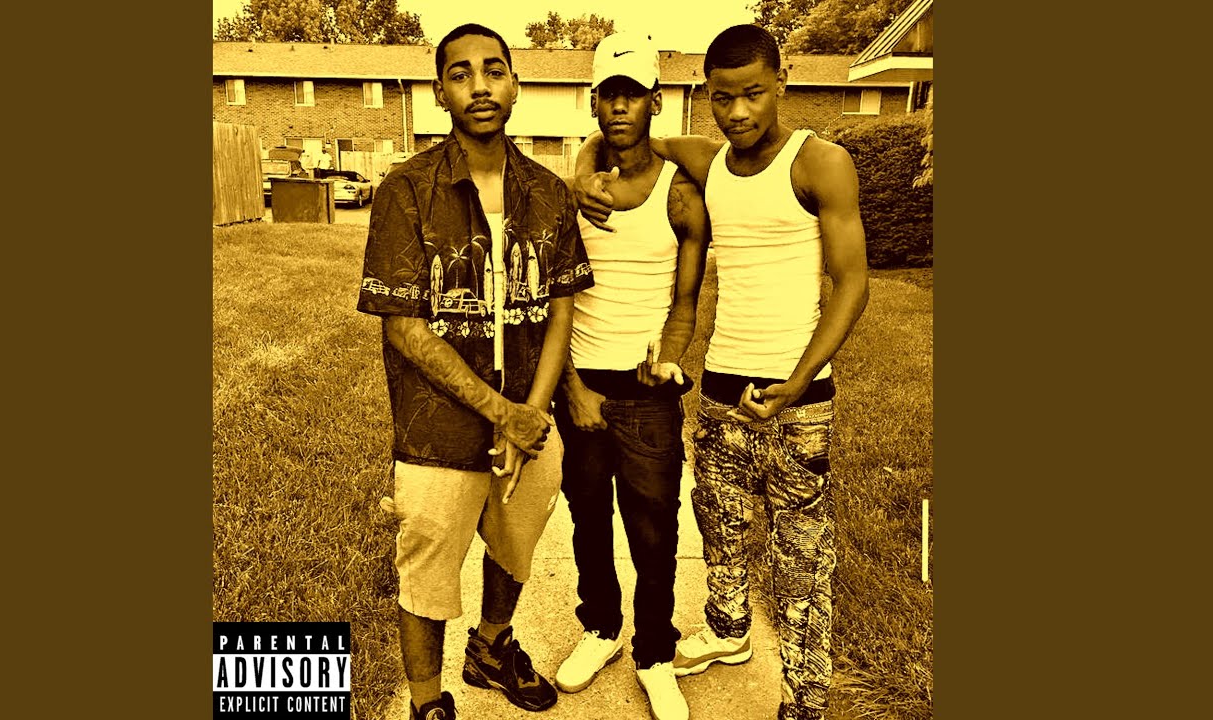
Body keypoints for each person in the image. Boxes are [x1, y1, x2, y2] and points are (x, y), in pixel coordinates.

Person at [573, 23, 869, 720]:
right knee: (720, 525)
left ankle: (805, 702)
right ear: (705, 95)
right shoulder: (709, 162)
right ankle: (729, 632)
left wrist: (799, 380)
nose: (738, 113)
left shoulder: (819, 163)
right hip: (721, 386)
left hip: (799, 395)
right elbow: (619, 137)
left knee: (801, 558)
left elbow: (853, 283)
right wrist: (583, 172)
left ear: (782, 83)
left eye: (754, 94)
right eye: (722, 98)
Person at [357, 23, 593, 720]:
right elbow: (404, 326)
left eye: (494, 70)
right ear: (440, 92)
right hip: (437, 430)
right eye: (460, 74)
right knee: (427, 570)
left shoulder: (548, 193)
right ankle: (427, 701)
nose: (479, 85)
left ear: (515, 84)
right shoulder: (406, 190)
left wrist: (533, 414)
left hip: (530, 421)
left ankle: (491, 646)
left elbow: (560, 310)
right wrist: (502, 413)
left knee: (517, 543)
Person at [551, 32, 710, 720]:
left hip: (649, 394)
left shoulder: (681, 194)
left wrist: (670, 354)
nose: (620, 107)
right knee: (588, 520)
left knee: (654, 531)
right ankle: (602, 628)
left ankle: (654, 653)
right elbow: (551, 297)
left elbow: (685, 301)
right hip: (583, 386)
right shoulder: (573, 194)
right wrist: (571, 388)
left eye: (633, 95)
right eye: (609, 95)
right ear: (594, 103)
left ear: (655, 101)